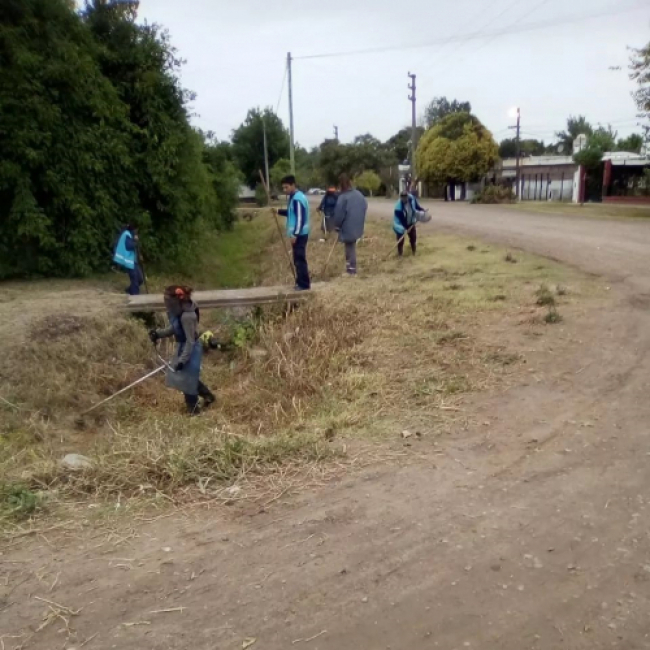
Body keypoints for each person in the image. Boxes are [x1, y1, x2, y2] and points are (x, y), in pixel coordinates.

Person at [149, 286, 215, 415]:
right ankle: (208, 396)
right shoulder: (178, 312)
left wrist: (182, 360)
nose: (166, 304)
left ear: (175, 301)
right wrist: (158, 334)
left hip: (190, 348)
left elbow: (190, 341)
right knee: (185, 378)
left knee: (186, 379)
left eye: (167, 301)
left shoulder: (187, 316)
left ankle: (194, 411)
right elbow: (175, 328)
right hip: (183, 346)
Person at [277, 175, 311, 291]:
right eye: (283, 188)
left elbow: (300, 218)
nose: (284, 190)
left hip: (299, 235)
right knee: (297, 259)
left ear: (292, 185)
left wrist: (295, 234)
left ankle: (304, 284)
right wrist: (278, 211)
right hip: (298, 234)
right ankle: (300, 282)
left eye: (286, 187)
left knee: (300, 259)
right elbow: (292, 213)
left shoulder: (297, 199)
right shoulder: (295, 197)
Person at [332, 174, 368, 276]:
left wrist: (337, 226)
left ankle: (351, 269)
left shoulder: (343, 197)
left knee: (349, 246)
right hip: (358, 224)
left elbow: (339, 214)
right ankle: (350, 267)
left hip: (347, 225)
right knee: (350, 245)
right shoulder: (359, 194)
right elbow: (365, 206)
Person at [113, 224, 143, 295]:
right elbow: (128, 246)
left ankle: (129, 290)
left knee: (140, 280)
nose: (137, 232)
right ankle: (135, 295)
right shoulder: (127, 235)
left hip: (133, 261)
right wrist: (135, 241)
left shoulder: (130, 235)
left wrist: (139, 256)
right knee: (135, 280)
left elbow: (134, 248)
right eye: (136, 230)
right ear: (133, 230)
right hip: (129, 262)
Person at [393, 191, 426, 257]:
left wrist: (422, 210)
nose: (404, 199)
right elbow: (402, 220)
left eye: (405, 197)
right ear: (400, 198)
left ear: (407, 196)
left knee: (413, 237)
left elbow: (416, 207)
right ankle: (400, 254)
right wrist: (406, 228)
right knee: (400, 239)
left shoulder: (412, 199)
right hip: (399, 224)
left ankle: (414, 252)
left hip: (410, 221)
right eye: (402, 197)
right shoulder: (398, 208)